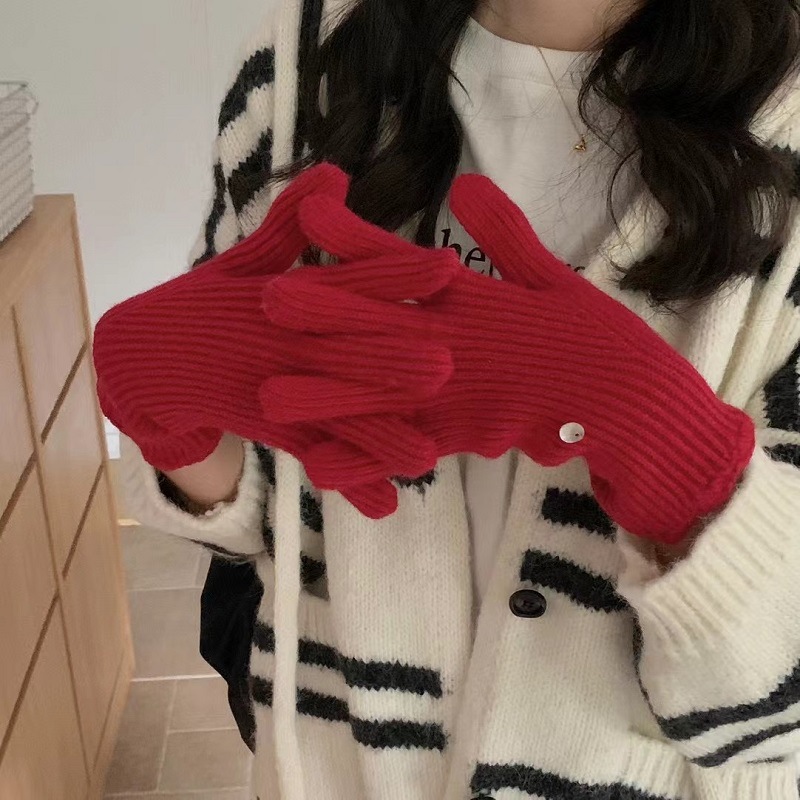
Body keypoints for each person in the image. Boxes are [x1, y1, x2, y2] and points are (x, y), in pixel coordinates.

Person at [93, 0, 800, 797]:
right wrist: (168, 424)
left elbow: (779, 716)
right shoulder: (300, 69)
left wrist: (661, 436)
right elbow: (274, 527)